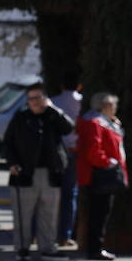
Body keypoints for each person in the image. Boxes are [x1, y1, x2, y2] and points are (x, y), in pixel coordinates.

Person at [1, 84, 74, 261]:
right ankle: (22, 249)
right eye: (30, 98)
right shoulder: (21, 117)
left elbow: (68, 127)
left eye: (37, 98)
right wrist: (12, 163)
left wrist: (52, 108)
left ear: (45, 98)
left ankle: (48, 248)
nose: (34, 102)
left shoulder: (52, 116)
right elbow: (7, 144)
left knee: (48, 214)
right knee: (23, 215)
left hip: (50, 173)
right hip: (24, 174)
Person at [76, 92, 128, 261]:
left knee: (101, 212)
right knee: (99, 213)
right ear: (105, 106)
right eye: (113, 106)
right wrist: (108, 162)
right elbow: (94, 150)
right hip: (99, 175)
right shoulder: (96, 123)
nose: (115, 109)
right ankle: (95, 248)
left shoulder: (105, 122)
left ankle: (97, 246)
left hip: (102, 173)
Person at [50, 75, 83, 248]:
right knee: (71, 195)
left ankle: (44, 234)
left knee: (51, 194)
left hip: (57, 152)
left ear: (62, 85)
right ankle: (65, 235)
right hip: (75, 150)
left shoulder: (53, 101)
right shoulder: (82, 102)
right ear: (79, 86)